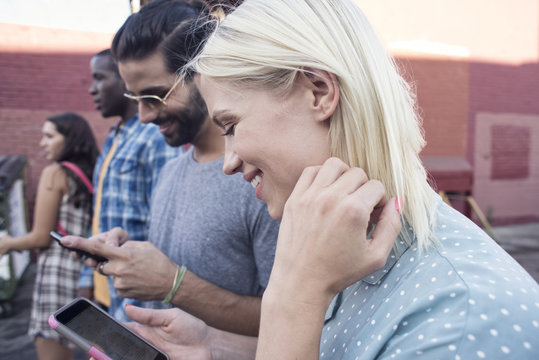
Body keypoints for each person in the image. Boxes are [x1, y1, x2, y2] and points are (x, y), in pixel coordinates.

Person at [110, 0, 539, 359]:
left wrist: (295, 296)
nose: (229, 161)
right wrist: (213, 346)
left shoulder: (460, 318)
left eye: (232, 125)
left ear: (318, 91)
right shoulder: (343, 243)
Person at [62, 0, 279, 336]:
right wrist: (128, 251)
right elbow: (186, 259)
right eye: (136, 100)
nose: (145, 116)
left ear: (203, 73)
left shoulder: (262, 179)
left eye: (156, 96)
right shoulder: (170, 170)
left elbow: (290, 318)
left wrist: (172, 284)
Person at [82, 48, 180, 321]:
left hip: (140, 303)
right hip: (108, 293)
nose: (92, 89)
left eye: (100, 78)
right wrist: (86, 278)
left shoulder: (154, 136)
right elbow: (100, 214)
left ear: (126, 80)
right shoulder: (114, 138)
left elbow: (166, 229)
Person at [0, 113, 98, 360]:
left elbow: (41, 237)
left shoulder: (54, 174)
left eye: (49, 136)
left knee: (50, 349)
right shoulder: (91, 175)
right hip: (83, 275)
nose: (42, 143)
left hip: (55, 274)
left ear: (70, 139)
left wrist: (7, 243)